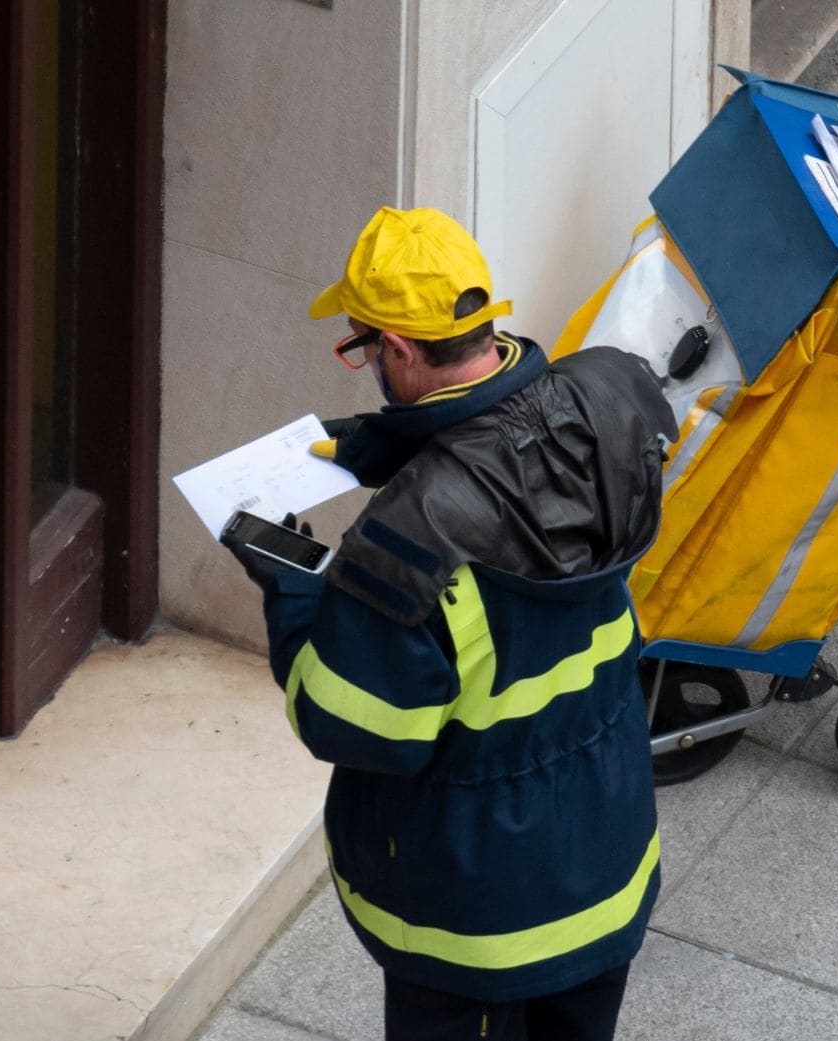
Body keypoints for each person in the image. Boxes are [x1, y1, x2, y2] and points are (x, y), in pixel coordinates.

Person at [223, 206, 677, 1041]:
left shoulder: (407, 542)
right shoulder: (611, 393)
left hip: (475, 910)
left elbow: (349, 720)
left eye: (364, 348)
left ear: (396, 349)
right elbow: (523, 447)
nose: (367, 363)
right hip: (605, 848)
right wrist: (394, 442)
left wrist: (296, 585)